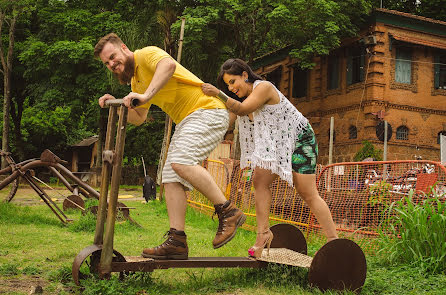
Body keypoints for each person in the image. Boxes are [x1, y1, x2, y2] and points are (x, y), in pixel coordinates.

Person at [94, 33, 246, 260]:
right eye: (107, 63)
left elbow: (168, 65)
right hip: (189, 119)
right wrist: (119, 106)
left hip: (207, 110)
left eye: (113, 57)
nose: (112, 65)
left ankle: (228, 211)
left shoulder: (146, 55)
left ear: (124, 48)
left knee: (181, 162)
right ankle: (177, 241)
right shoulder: (136, 81)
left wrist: (145, 95)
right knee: (170, 175)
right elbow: (140, 117)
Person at [202, 58, 338, 258]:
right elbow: (225, 124)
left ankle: (334, 243)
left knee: (306, 191)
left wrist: (218, 93)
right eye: (227, 85)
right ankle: (263, 234)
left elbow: (243, 109)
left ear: (245, 75)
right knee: (259, 180)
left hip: (300, 139)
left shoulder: (264, 88)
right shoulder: (237, 101)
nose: (231, 88)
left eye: (232, 82)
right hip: (276, 146)